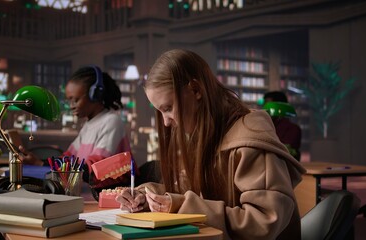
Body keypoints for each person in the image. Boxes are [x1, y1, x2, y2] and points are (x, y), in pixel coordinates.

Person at [116, 49, 306, 240]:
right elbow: (182, 188)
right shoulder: (206, 135)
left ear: (196, 90)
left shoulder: (251, 139)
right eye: (160, 112)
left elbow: (263, 223)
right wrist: (146, 196)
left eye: (168, 108)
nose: (165, 122)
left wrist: (182, 206)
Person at [20, 65, 135, 193]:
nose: (71, 106)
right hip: (86, 192)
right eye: (69, 101)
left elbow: (96, 169)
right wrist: (40, 162)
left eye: (75, 100)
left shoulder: (112, 121)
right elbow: (68, 159)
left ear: (95, 94)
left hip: (107, 195)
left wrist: (43, 165)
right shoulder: (88, 125)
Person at [263, 91, 302, 161]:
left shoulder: (293, 129)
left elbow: (285, 153)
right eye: (265, 106)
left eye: (269, 107)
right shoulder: (264, 127)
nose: (265, 110)